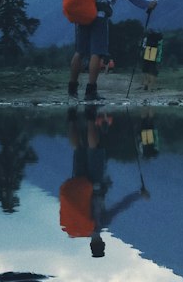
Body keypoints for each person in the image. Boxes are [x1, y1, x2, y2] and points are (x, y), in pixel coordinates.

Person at [69, 0, 157, 102]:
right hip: (99, 15)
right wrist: (146, 4)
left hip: (82, 13)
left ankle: (72, 89)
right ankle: (91, 91)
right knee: (97, 52)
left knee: (80, 51)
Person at [59, 106, 149, 257]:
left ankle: (90, 116)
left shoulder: (101, 223)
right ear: (91, 244)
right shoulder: (78, 227)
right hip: (78, 184)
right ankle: (72, 117)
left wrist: (139, 194)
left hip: (95, 184)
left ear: (102, 243)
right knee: (78, 148)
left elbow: (121, 206)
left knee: (95, 148)